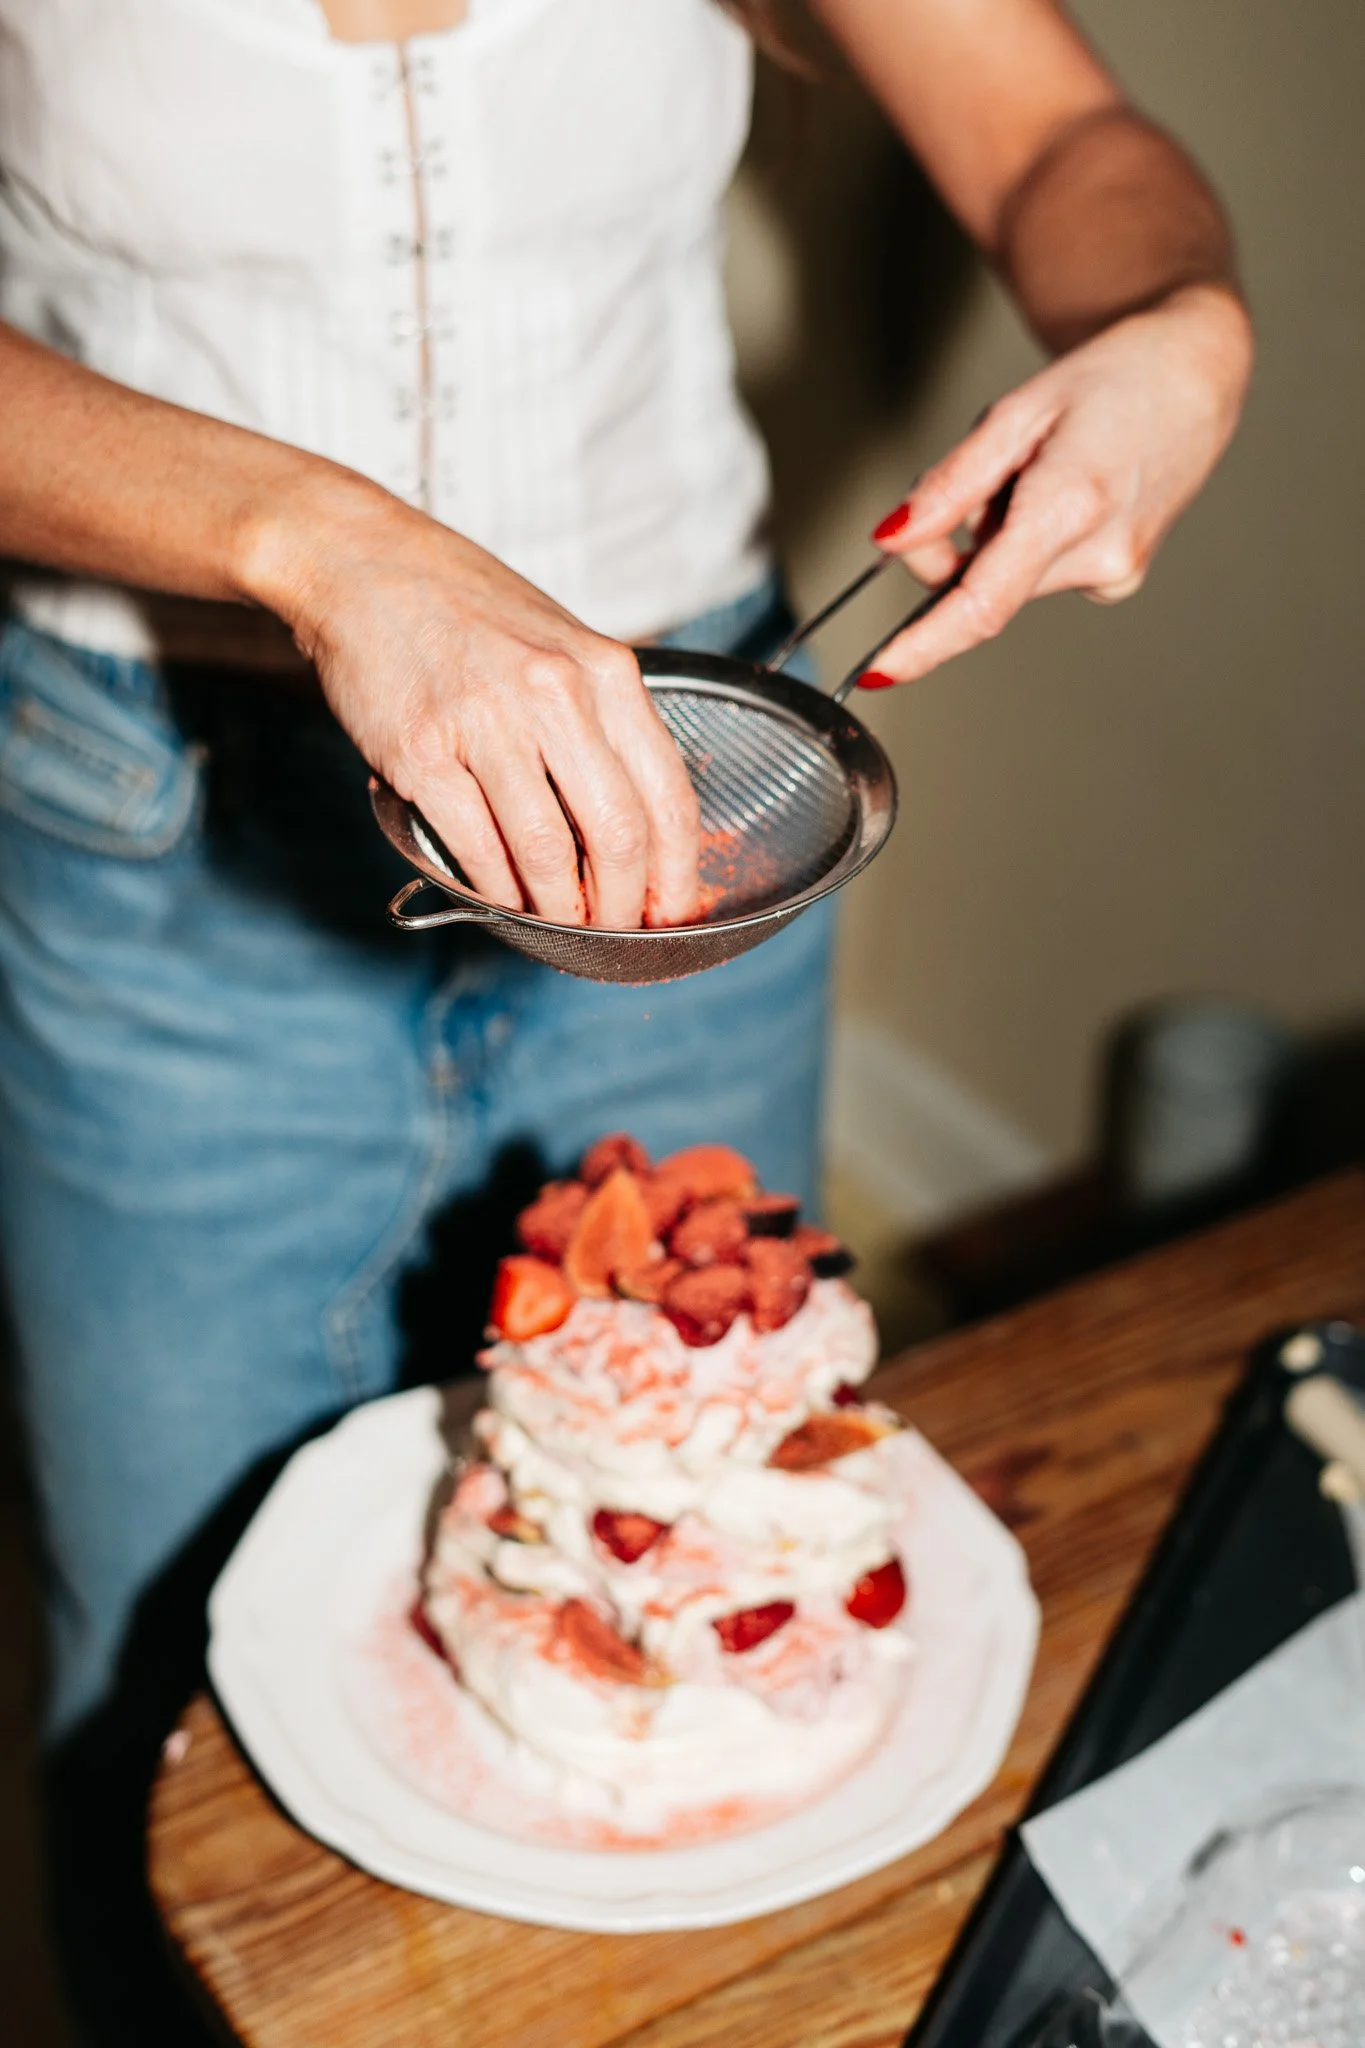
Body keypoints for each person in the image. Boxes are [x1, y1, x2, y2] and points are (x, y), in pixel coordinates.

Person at [0, 1, 1250, 2038]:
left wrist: (1179, 316)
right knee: (167, 1701)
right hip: (166, 833)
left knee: (687, 1603)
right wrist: (323, 544)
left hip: (692, 819)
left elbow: (1053, 146)